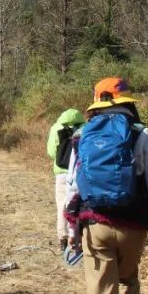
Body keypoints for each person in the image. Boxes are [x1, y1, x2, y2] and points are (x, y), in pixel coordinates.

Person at [64, 77, 148, 294]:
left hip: (95, 224)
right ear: (127, 101)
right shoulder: (141, 133)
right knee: (128, 281)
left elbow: (72, 187)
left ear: (97, 102)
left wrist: (70, 231)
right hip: (134, 227)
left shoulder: (81, 134)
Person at [47, 108, 84, 252]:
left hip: (62, 173)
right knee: (80, 205)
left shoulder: (56, 128)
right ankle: (78, 238)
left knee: (62, 205)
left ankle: (63, 240)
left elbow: (51, 152)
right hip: (79, 171)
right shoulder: (85, 128)